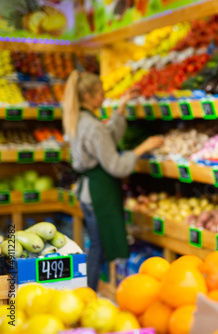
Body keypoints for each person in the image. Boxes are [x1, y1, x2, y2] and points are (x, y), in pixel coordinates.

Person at [63, 70, 164, 290]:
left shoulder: (80, 120)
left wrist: (122, 107)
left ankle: (88, 291)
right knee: (99, 247)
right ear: (88, 97)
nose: (103, 97)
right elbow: (116, 165)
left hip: (87, 191)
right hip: (98, 192)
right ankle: (88, 293)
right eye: (100, 94)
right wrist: (141, 149)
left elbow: (104, 140)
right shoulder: (93, 126)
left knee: (97, 244)